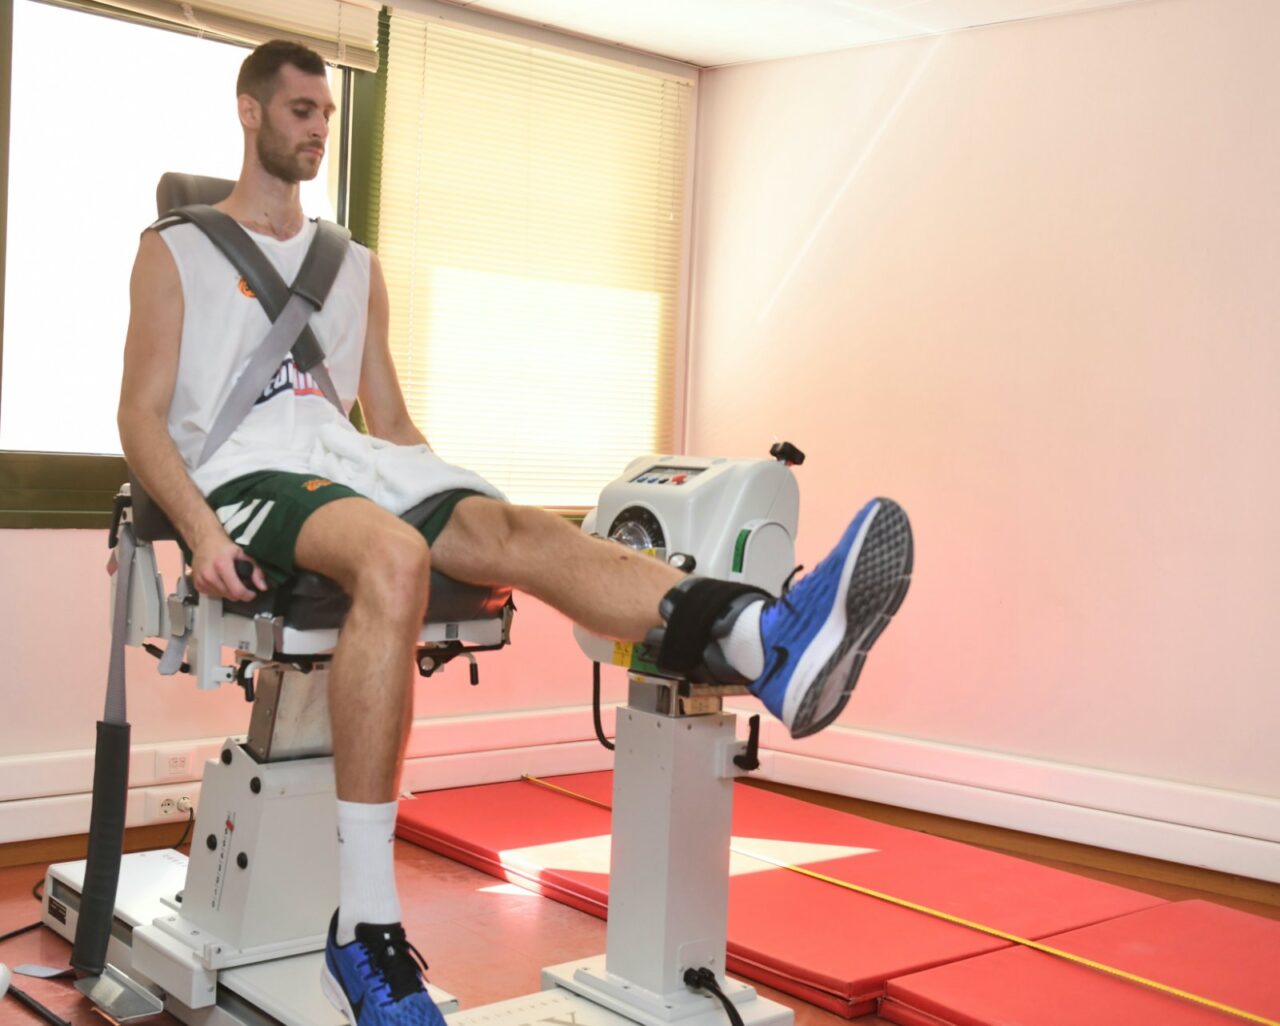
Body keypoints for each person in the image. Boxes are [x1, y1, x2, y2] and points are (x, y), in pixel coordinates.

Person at [117, 39, 914, 1026]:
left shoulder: (350, 265)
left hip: (350, 463)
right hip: (244, 470)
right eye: (299, 111)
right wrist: (199, 530)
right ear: (249, 113)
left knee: (519, 528)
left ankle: (761, 638)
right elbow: (141, 418)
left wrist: (461, 511)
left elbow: (387, 421)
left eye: (326, 113)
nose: (318, 128)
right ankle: (362, 927)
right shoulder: (177, 249)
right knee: (392, 553)